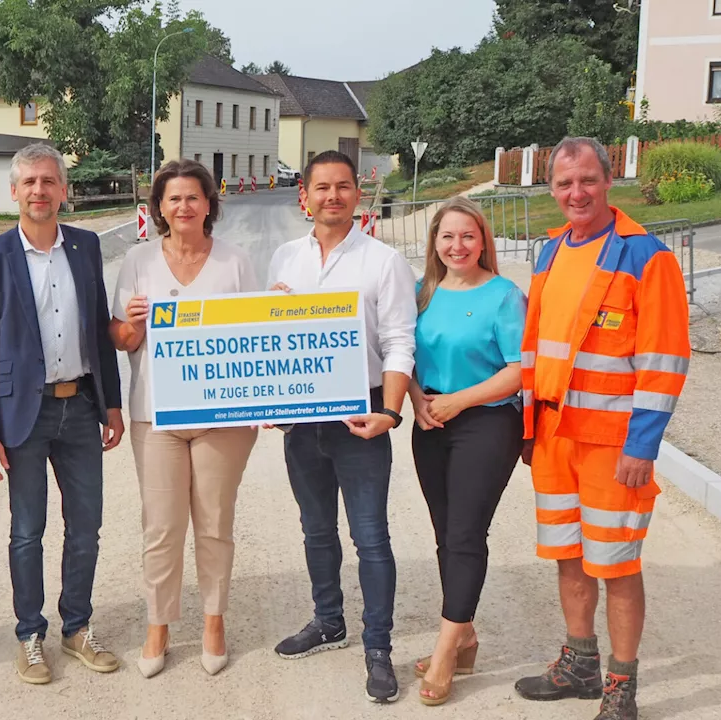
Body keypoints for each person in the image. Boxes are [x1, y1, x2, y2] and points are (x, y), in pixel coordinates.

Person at [514, 137, 690, 720]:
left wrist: (643, 445)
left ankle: (621, 686)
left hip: (615, 448)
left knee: (616, 566)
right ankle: (579, 662)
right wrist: (528, 426)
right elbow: (537, 347)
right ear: (551, 190)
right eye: (564, 184)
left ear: (608, 181)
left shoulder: (645, 256)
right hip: (555, 440)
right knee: (568, 555)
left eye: (587, 180)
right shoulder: (549, 253)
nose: (576, 193)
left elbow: (664, 361)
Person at [0, 142, 125, 685]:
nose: (39, 191)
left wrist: (112, 404)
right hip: (21, 418)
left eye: (49, 181)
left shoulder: (84, 247)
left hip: (80, 408)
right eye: (29, 182)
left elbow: (100, 332)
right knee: (27, 531)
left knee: (87, 527)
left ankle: (76, 625)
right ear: (14, 191)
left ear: (63, 189)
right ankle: (29, 634)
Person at [266, 150, 416, 704]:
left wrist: (391, 412)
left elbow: (401, 341)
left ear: (359, 194)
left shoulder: (383, 261)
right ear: (303, 195)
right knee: (316, 530)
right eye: (321, 187)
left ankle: (379, 647)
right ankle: (328, 620)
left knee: (370, 536)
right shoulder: (284, 258)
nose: (333, 196)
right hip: (302, 419)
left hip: (363, 412)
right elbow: (270, 341)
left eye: (343, 187)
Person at [110, 159, 259, 678]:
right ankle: (159, 624)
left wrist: (282, 312)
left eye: (193, 197)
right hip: (156, 415)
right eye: (172, 199)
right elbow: (123, 342)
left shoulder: (236, 262)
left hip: (222, 416)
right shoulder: (138, 260)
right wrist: (132, 325)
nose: (183, 207)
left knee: (215, 524)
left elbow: (254, 339)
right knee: (162, 526)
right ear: (159, 208)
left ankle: (214, 620)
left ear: (209, 204)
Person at [405, 197, 527, 706]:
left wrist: (460, 401)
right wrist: (415, 399)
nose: (458, 246)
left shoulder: (503, 295)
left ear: (483, 242)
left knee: (465, 534)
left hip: (487, 421)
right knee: (444, 533)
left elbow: (519, 369)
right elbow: (400, 351)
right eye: (447, 237)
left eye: (468, 236)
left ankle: (445, 650)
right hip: (429, 421)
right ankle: (467, 635)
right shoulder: (422, 292)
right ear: (435, 243)